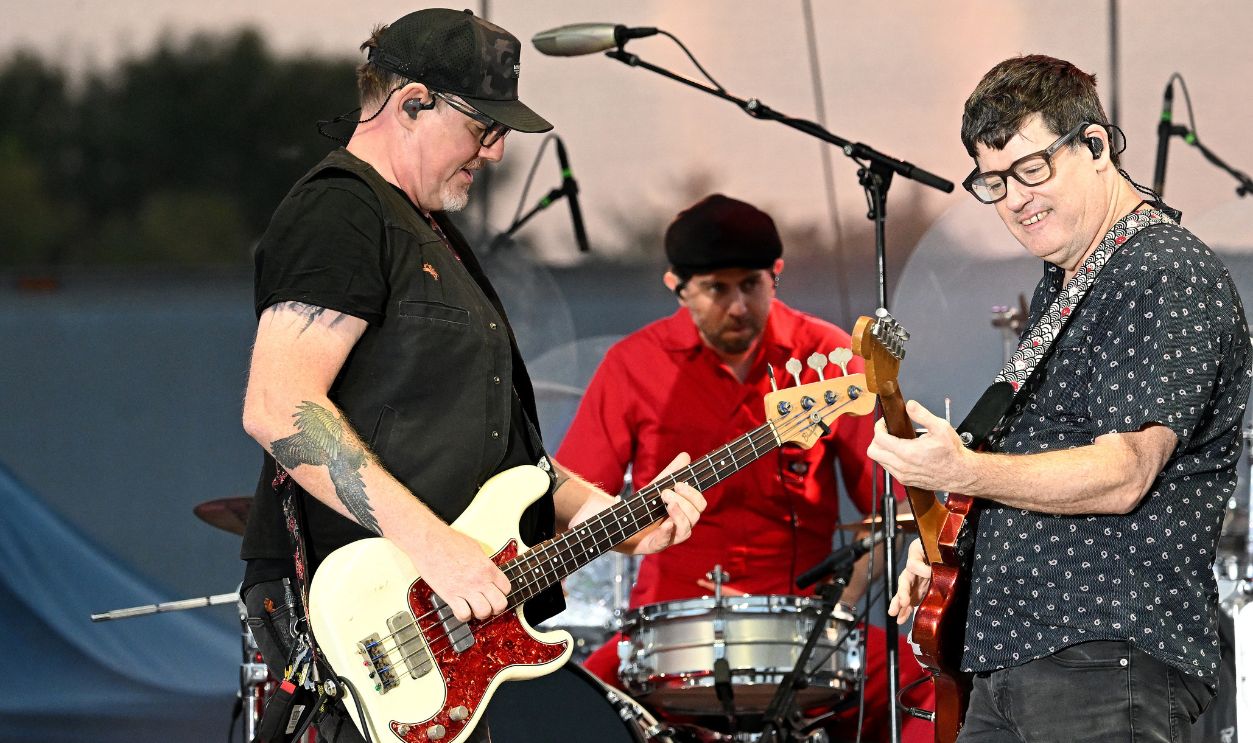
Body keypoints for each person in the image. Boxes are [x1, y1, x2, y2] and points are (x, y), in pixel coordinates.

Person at [237, 9, 705, 742]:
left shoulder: (432, 235)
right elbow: (279, 405)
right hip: (363, 611)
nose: (492, 153)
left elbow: (504, 465)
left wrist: (617, 519)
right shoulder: (341, 210)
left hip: (446, 627)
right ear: (412, 101)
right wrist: (436, 549)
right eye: (483, 128)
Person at [869, 54, 1252, 743]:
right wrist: (942, 537)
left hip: (1103, 660)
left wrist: (964, 470)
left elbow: (1124, 470)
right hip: (1016, 660)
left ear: (1096, 145)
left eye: (1030, 168)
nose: (1014, 198)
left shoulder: (1161, 269)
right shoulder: (1070, 280)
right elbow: (1034, 464)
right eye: (993, 181)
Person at [557, 194, 934, 742]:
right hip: (667, 628)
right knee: (568, 708)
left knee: (927, 683)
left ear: (775, 274)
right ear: (677, 287)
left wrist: (845, 600)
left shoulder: (827, 357)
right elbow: (570, 505)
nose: (737, 306)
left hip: (802, 627)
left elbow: (894, 504)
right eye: (716, 288)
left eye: (751, 285)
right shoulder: (631, 366)